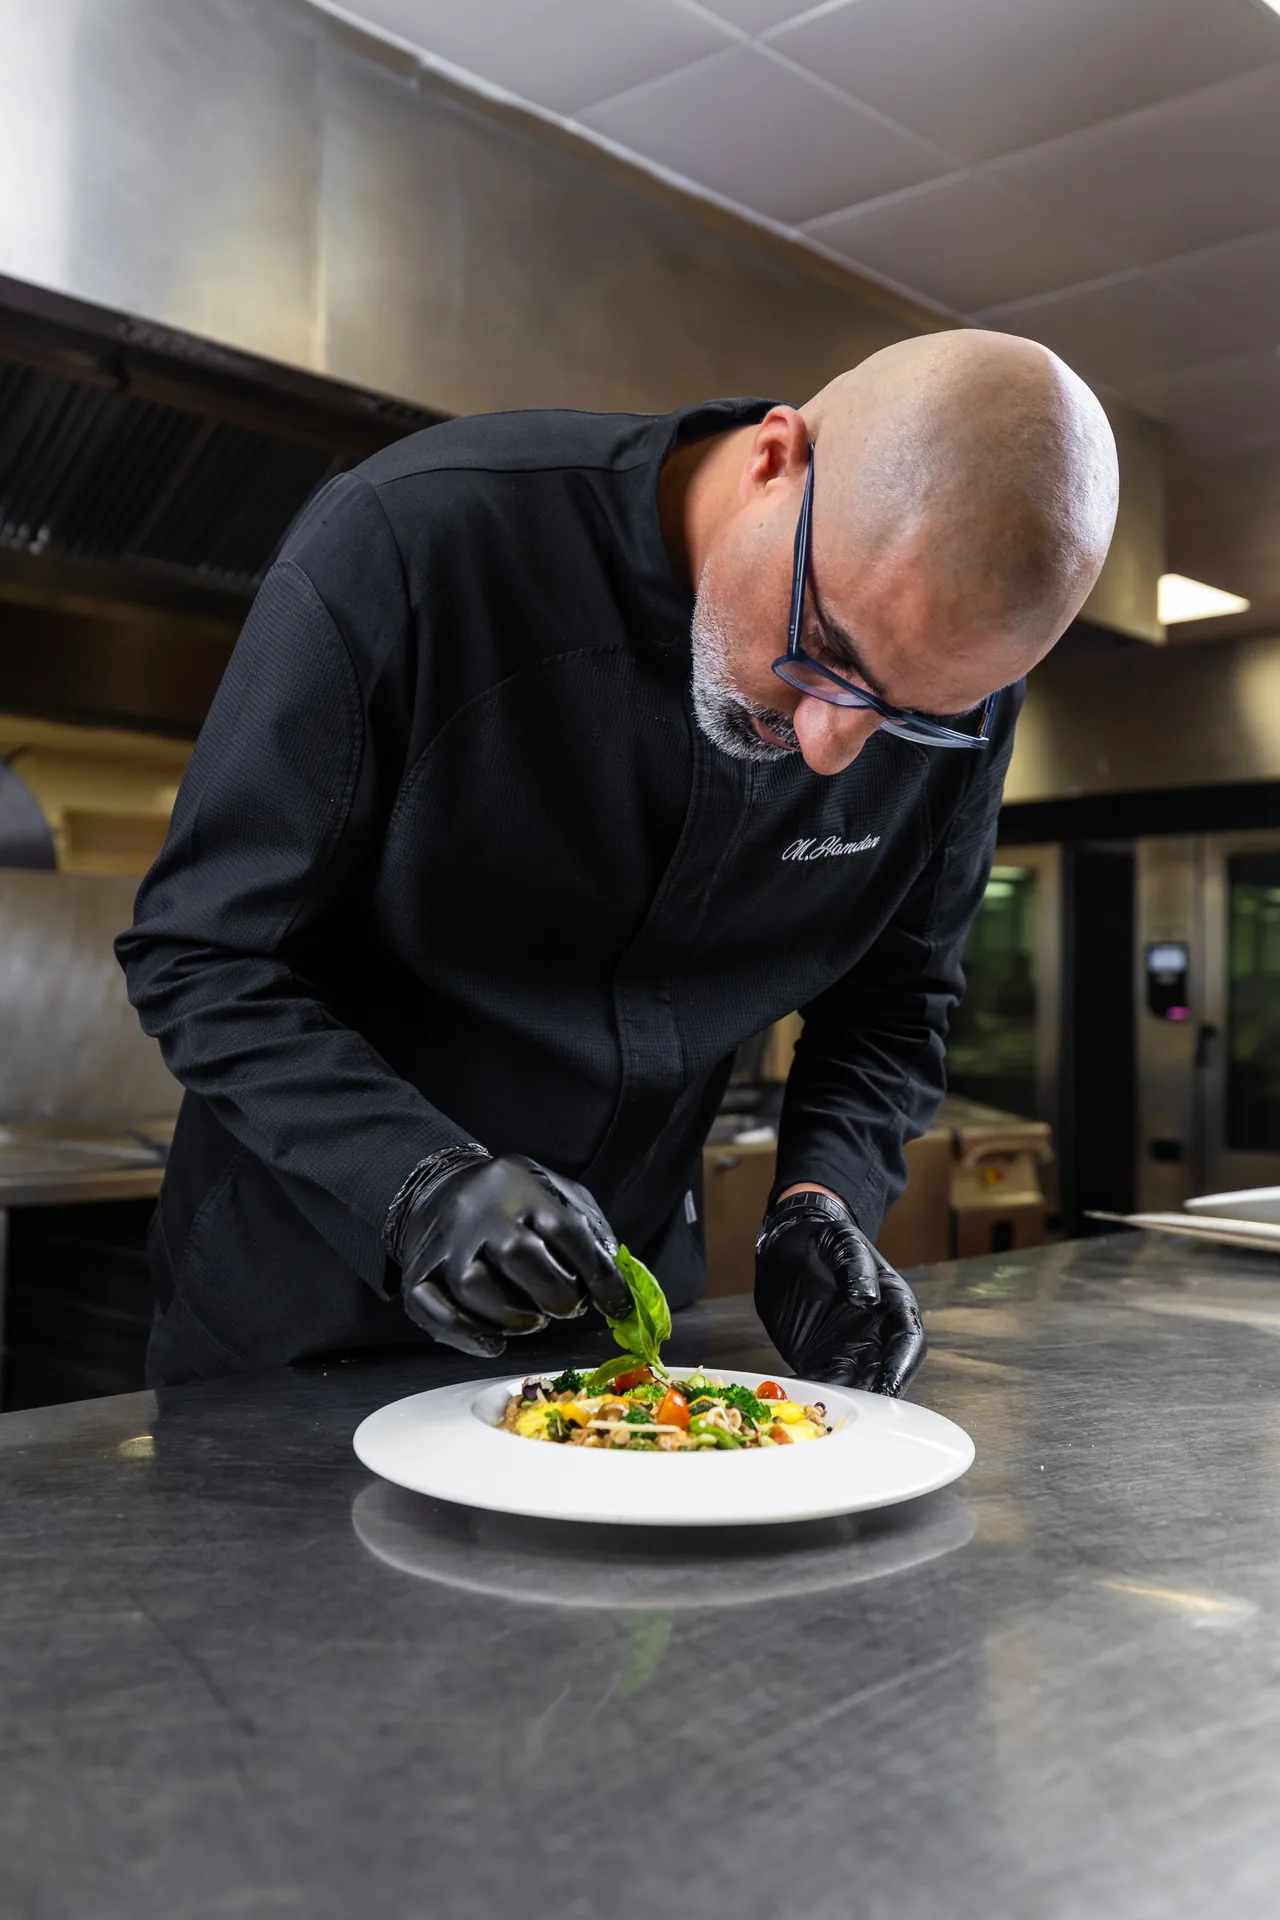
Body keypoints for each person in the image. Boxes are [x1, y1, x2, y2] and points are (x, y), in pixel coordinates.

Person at [117, 330, 1118, 1392]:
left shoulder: (955, 692)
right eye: (824, 646)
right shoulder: (417, 542)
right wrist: (413, 1182)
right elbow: (201, 951)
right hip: (293, 1325)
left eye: (910, 718)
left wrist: (820, 1199)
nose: (831, 746)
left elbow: (893, 1002)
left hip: (623, 1340)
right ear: (773, 459)